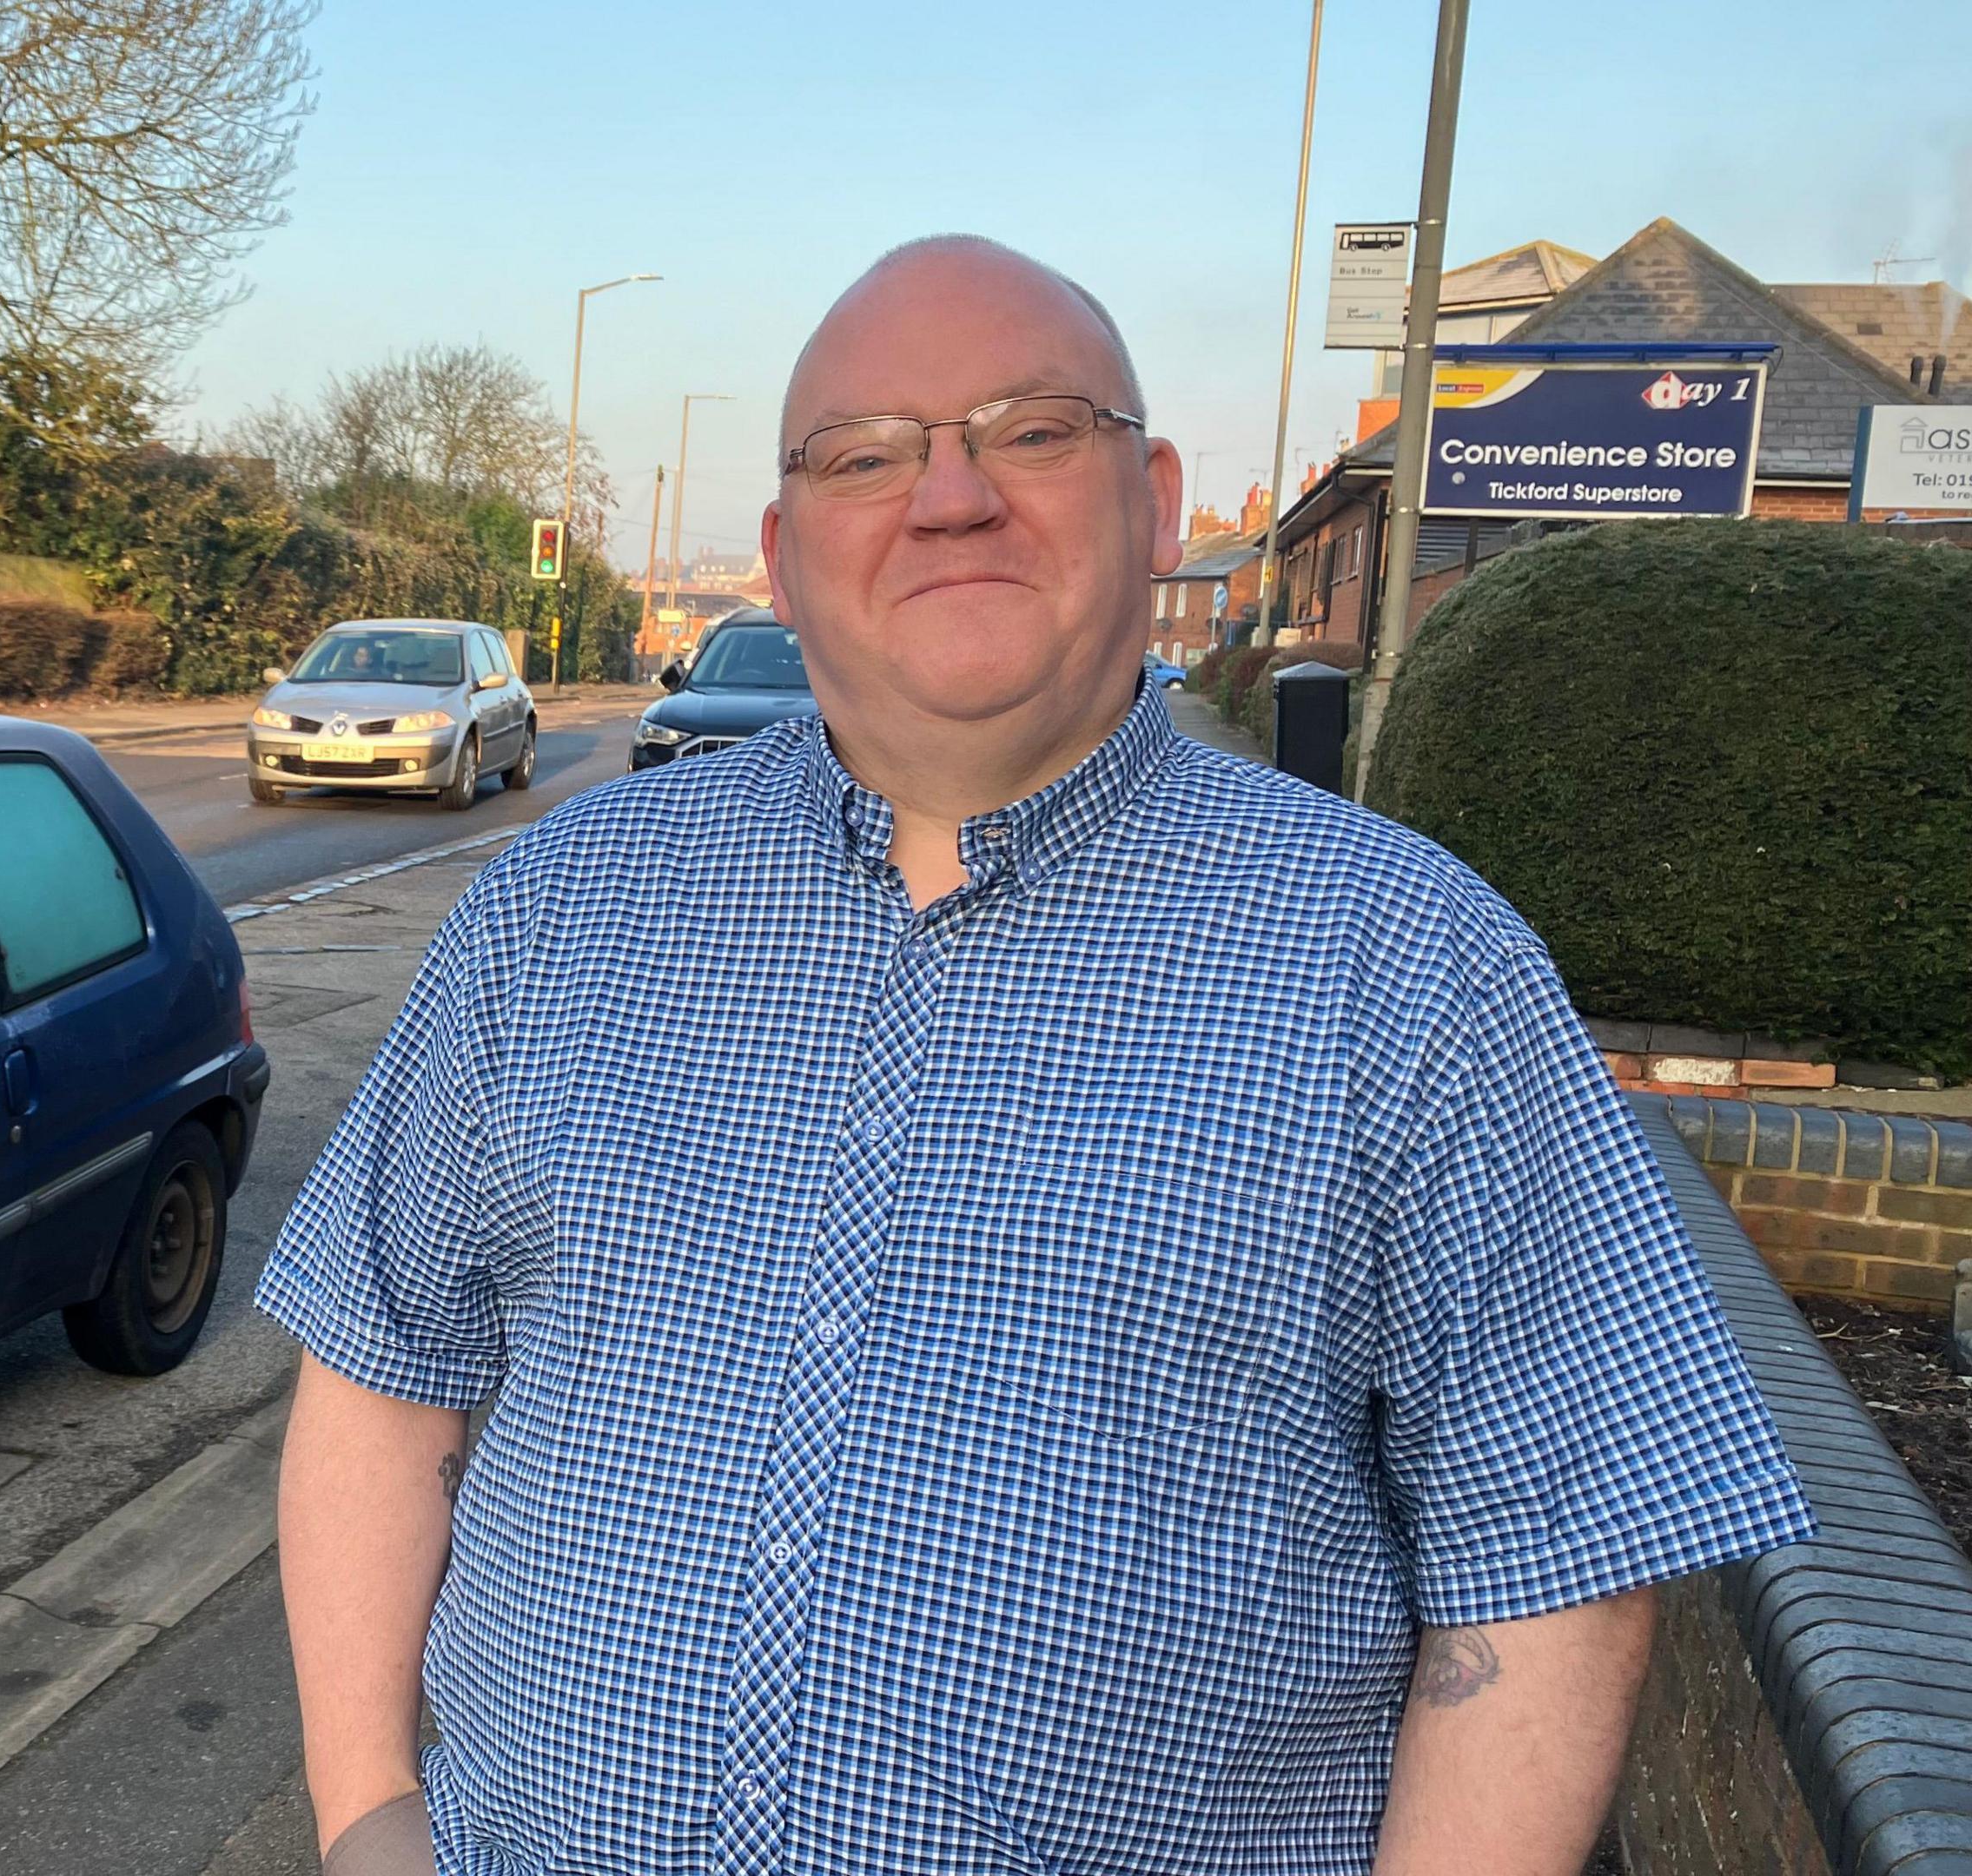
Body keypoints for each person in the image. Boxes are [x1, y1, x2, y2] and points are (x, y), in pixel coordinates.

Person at [258, 236, 1811, 1876]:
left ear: (1152, 497)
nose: (949, 499)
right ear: (783, 561)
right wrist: (369, 1815)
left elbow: (1552, 1557)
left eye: (1032, 429)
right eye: (868, 456)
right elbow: (379, 1369)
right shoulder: (560, 913)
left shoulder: (1412, 969)